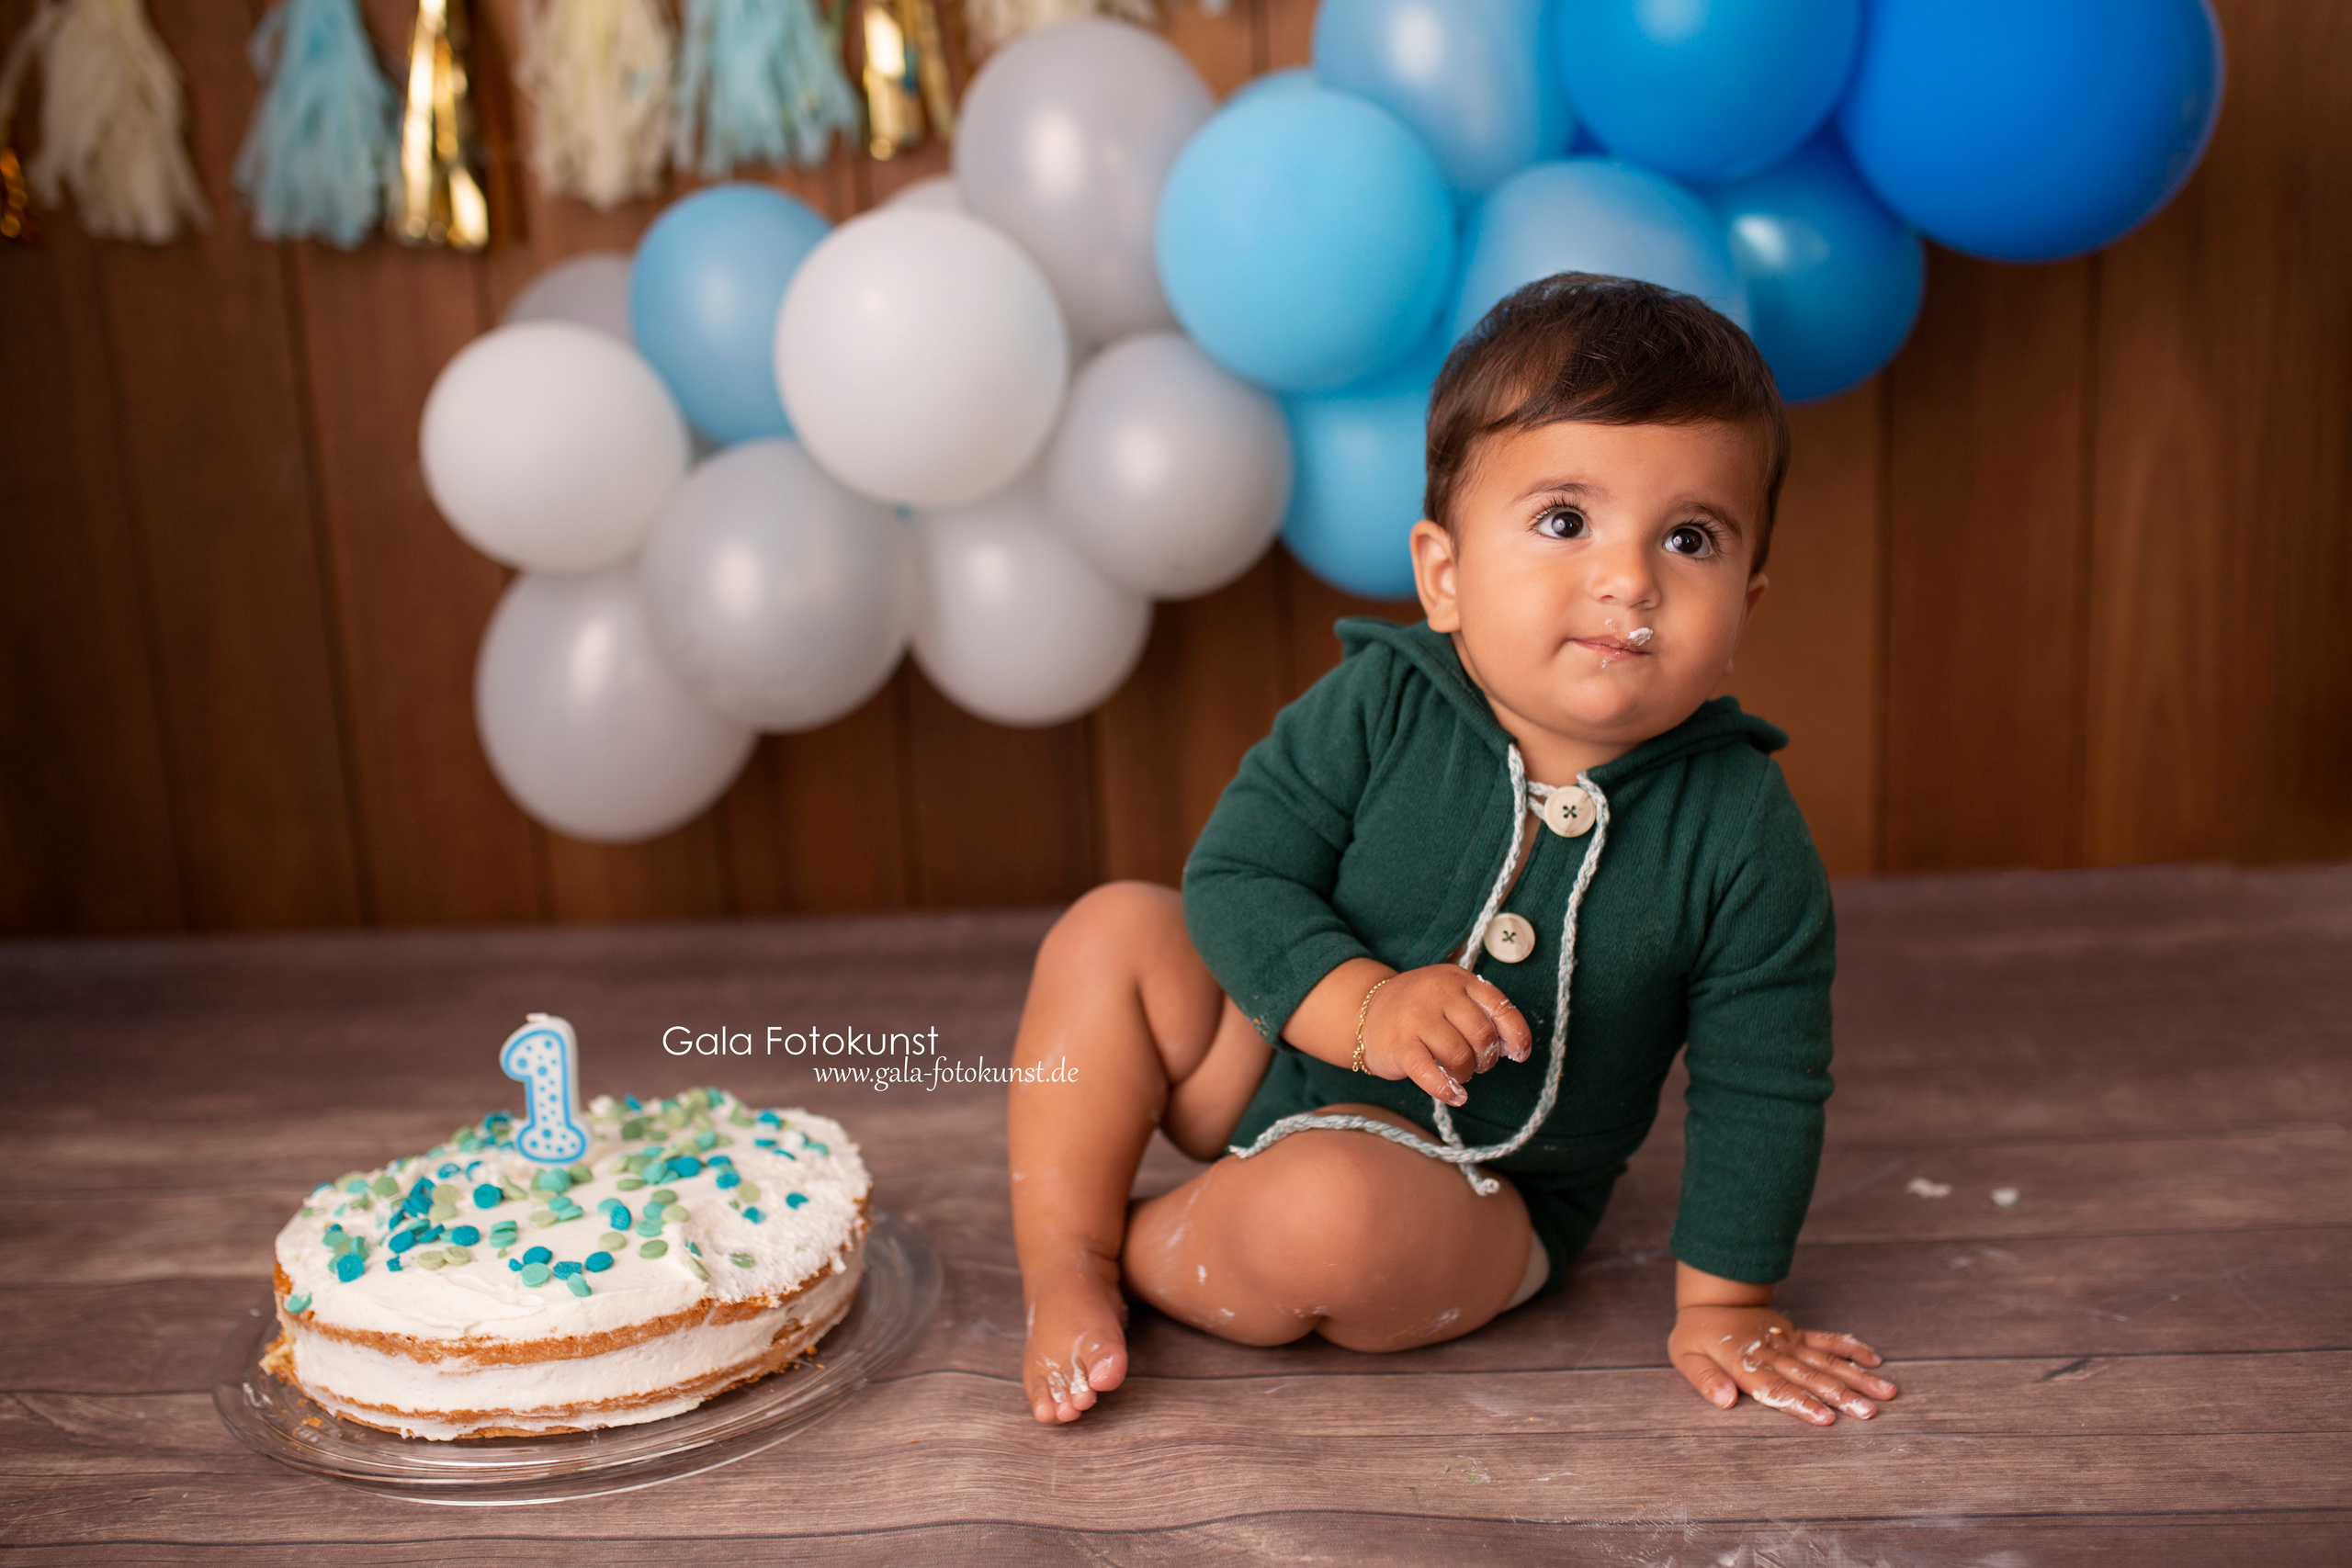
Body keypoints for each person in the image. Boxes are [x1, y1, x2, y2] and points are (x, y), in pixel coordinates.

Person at [1005, 272, 1898, 1429]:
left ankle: (1148, 1242)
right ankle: (1067, 1258)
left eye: (1689, 538)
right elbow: (1237, 877)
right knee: (1116, 929)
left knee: (1331, 1217)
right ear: (1445, 575)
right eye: (1565, 520)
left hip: (1480, 1193)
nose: (1628, 578)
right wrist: (1363, 1007)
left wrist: (1729, 1303)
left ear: (1746, 607)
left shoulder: (1739, 828)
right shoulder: (1380, 703)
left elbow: (1761, 1086)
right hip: (1269, 1066)